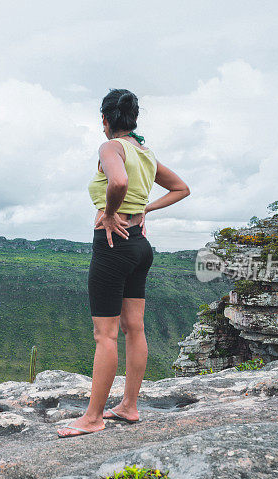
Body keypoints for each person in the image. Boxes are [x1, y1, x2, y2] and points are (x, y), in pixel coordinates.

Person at [57, 88, 190, 438]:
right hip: (141, 246)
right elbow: (181, 188)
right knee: (136, 328)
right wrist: (144, 208)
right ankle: (129, 406)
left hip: (113, 245)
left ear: (105, 120)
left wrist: (111, 212)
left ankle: (93, 417)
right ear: (134, 119)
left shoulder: (111, 147)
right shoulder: (145, 152)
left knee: (105, 335)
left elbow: (117, 181)